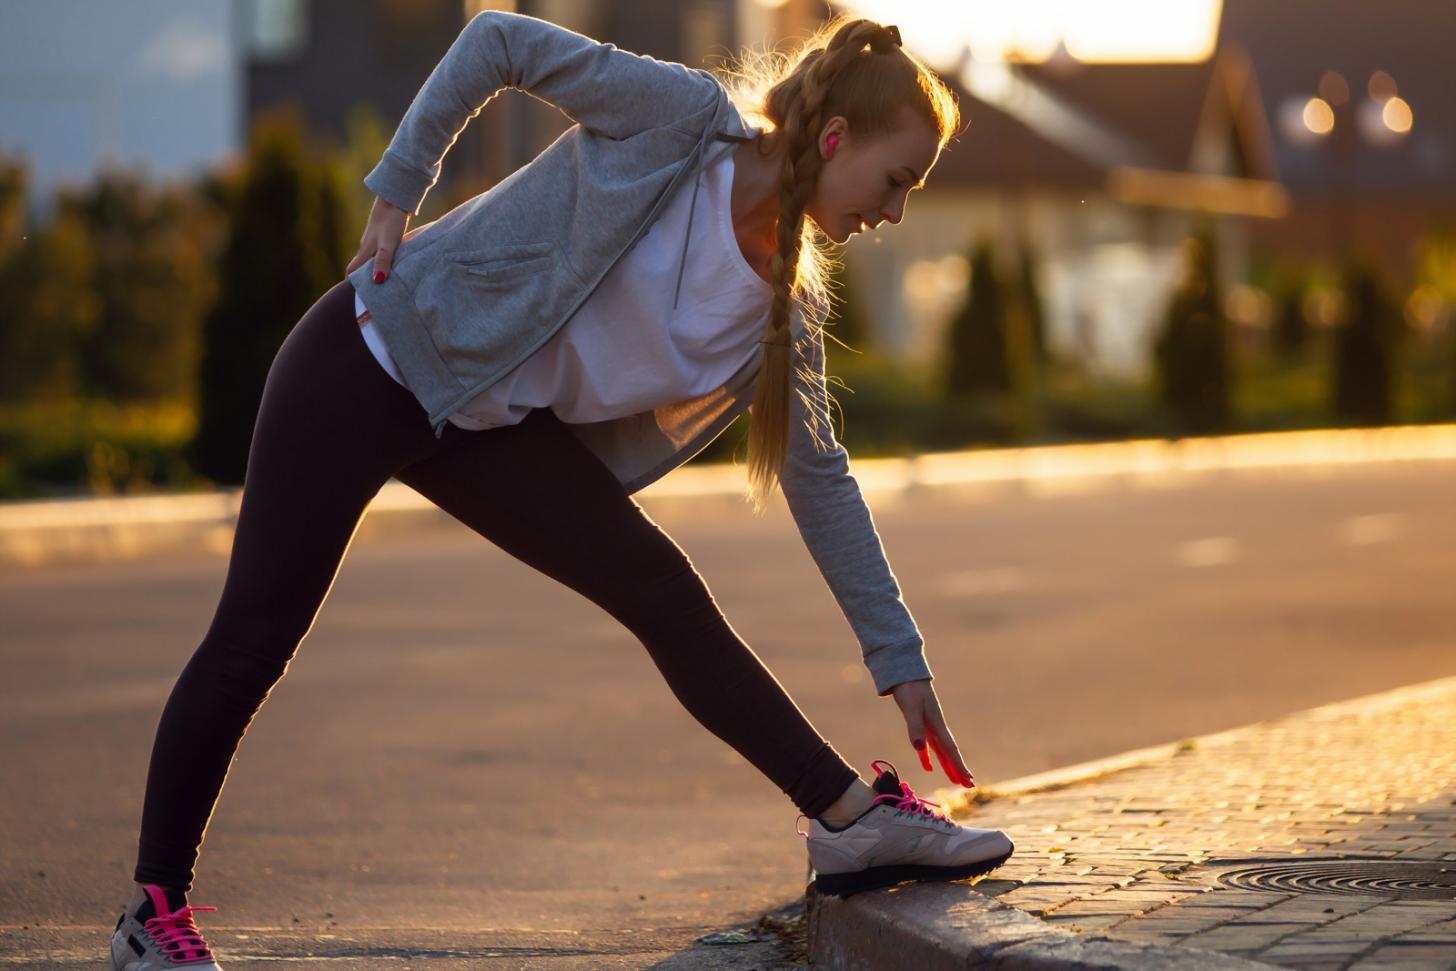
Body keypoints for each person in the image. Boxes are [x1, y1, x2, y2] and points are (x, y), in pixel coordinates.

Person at [110, 11, 1013, 969]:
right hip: (372, 360)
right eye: (897, 180)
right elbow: (497, 39)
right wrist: (397, 187)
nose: (895, 212)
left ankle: (847, 819)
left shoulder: (787, 304)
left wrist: (898, 659)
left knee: (658, 586)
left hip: (482, 426)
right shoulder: (683, 123)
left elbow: (820, 481)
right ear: (835, 141)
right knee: (253, 639)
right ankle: (150, 915)